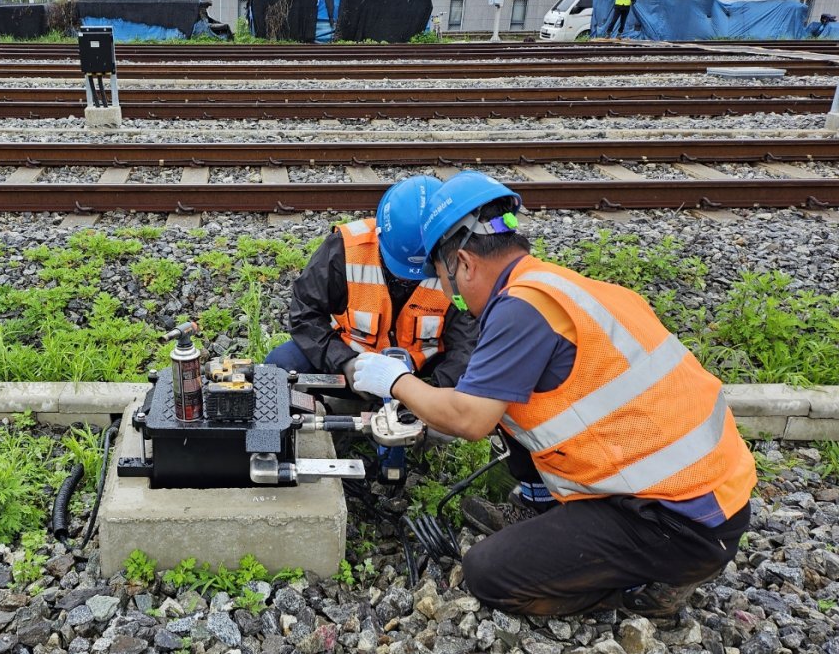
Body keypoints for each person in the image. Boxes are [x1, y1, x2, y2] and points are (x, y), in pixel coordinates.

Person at [350, 171, 754, 617]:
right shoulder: (555, 286)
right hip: (706, 496)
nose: (451, 295)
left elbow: (470, 418)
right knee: (513, 402)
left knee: (489, 573)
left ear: (463, 263)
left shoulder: (521, 310)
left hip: (678, 523)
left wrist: (396, 382)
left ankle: (645, 588)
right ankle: (541, 511)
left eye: (446, 281)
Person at [265, 175, 478, 398]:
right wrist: (344, 362)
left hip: (422, 375)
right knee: (280, 367)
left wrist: (429, 398)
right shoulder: (345, 248)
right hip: (353, 364)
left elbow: (468, 342)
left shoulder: (461, 263)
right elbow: (305, 314)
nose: (409, 279)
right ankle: (315, 414)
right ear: (380, 234)